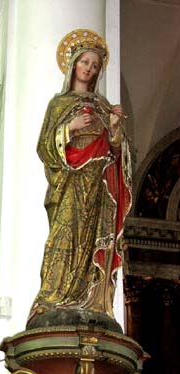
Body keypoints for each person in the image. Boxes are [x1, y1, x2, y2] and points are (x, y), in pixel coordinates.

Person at [27, 29, 132, 328]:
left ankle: (89, 299)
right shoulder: (59, 105)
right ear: (74, 63)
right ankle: (53, 299)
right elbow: (44, 147)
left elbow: (115, 154)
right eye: (85, 62)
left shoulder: (102, 106)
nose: (89, 68)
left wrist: (113, 127)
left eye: (95, 65)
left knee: (93, 243)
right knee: (63, 238)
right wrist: (70, 128)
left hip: (99, 187)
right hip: (70, 185)